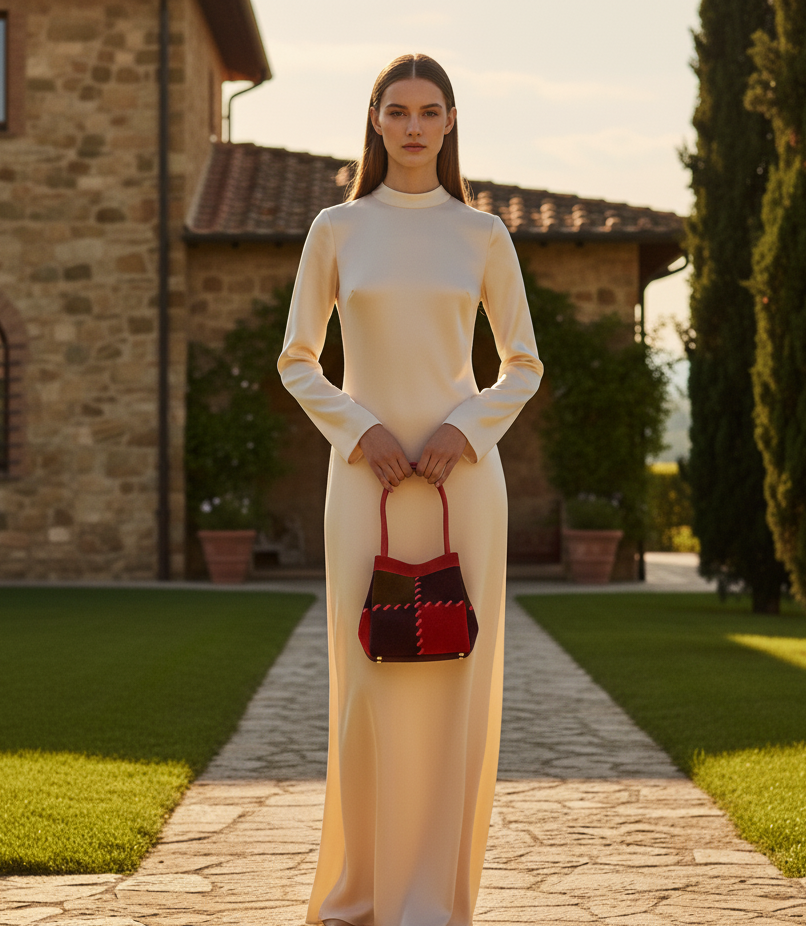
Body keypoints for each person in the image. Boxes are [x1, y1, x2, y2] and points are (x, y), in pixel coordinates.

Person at [278, 53, 543, 926]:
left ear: (452, 122)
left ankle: (437, 899)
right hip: (364, 482)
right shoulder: (337, 227)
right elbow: (297, 361)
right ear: (376, 120)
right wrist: (364, 430)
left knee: (458, 679)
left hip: (465, 483)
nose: (416, 125)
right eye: (400, 110)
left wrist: (467, 428)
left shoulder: (483, 235)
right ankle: (365, 890)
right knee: (367, 682)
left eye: (432, 110)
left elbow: (523, 364)